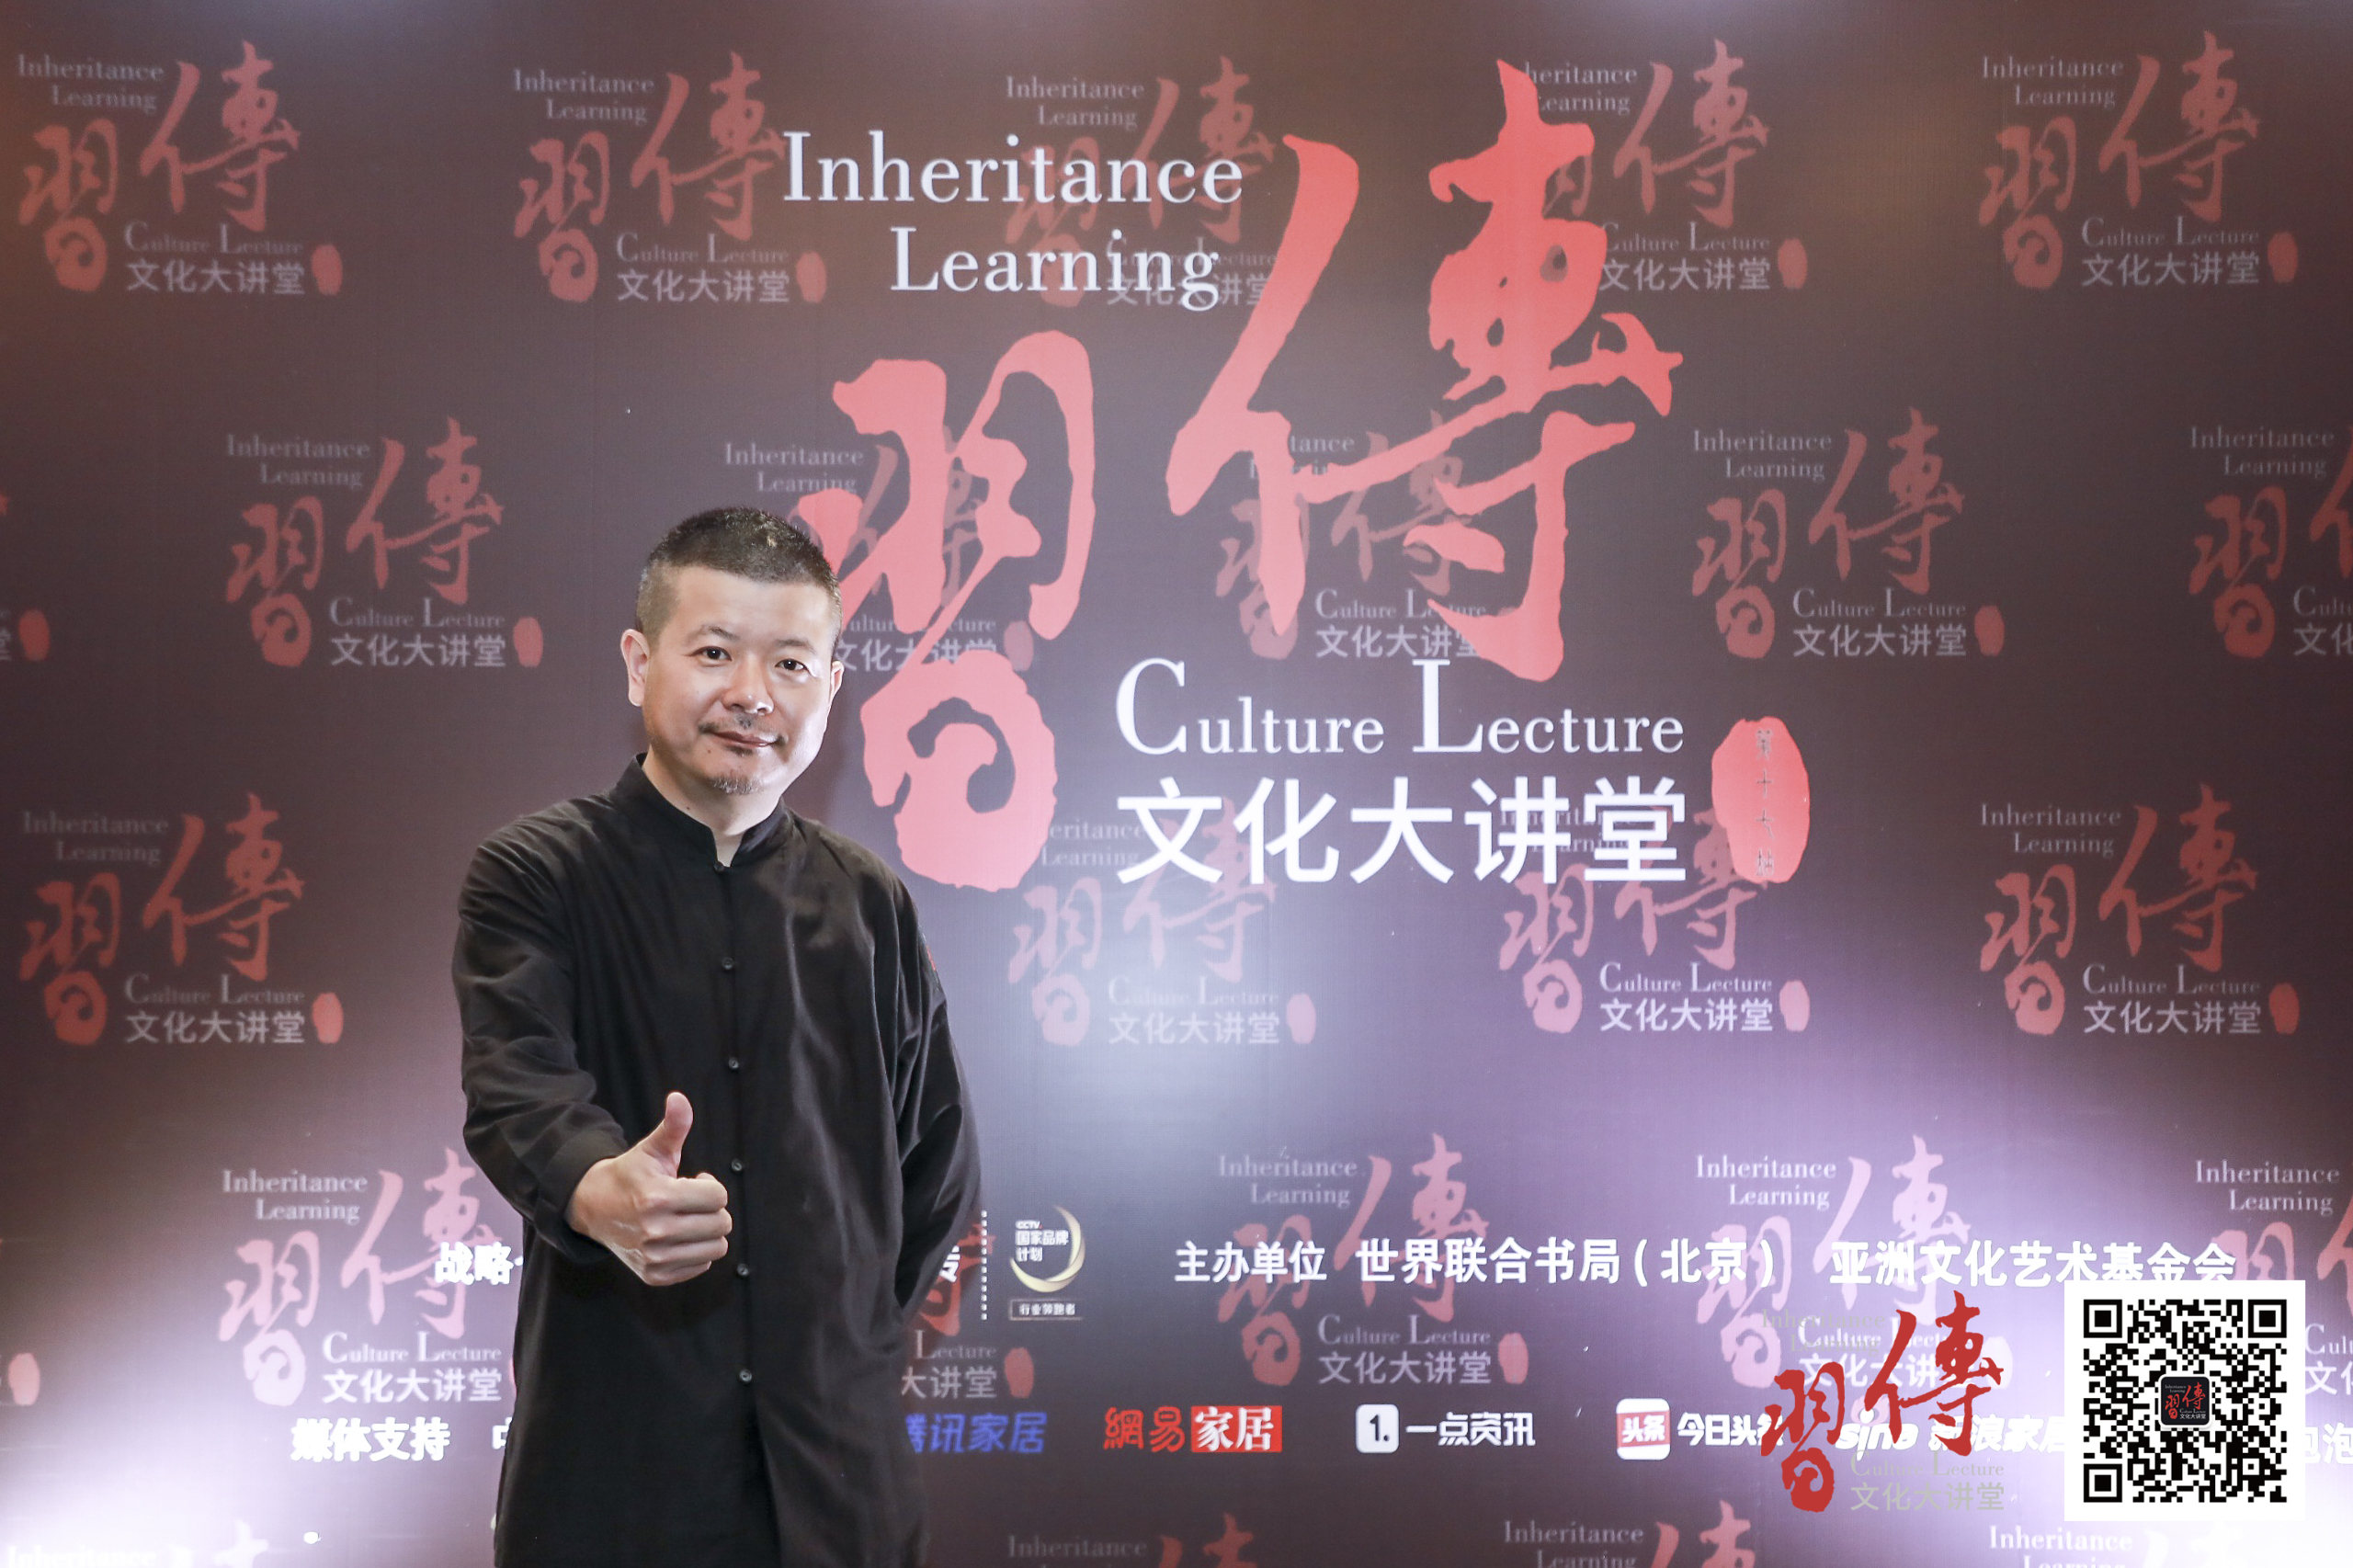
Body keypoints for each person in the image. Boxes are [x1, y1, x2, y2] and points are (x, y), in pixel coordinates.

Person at [455, 507, 977, 1568]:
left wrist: (838, 1341)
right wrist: (598, 1188)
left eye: (791, 662)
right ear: (638, 661)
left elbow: (934, 1170)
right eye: (713, 652)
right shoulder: (536, 873)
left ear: (832, 685)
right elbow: (518, 1089)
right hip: (615, 1478)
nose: (752, 693)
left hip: (839, 1489)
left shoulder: (869, 901)